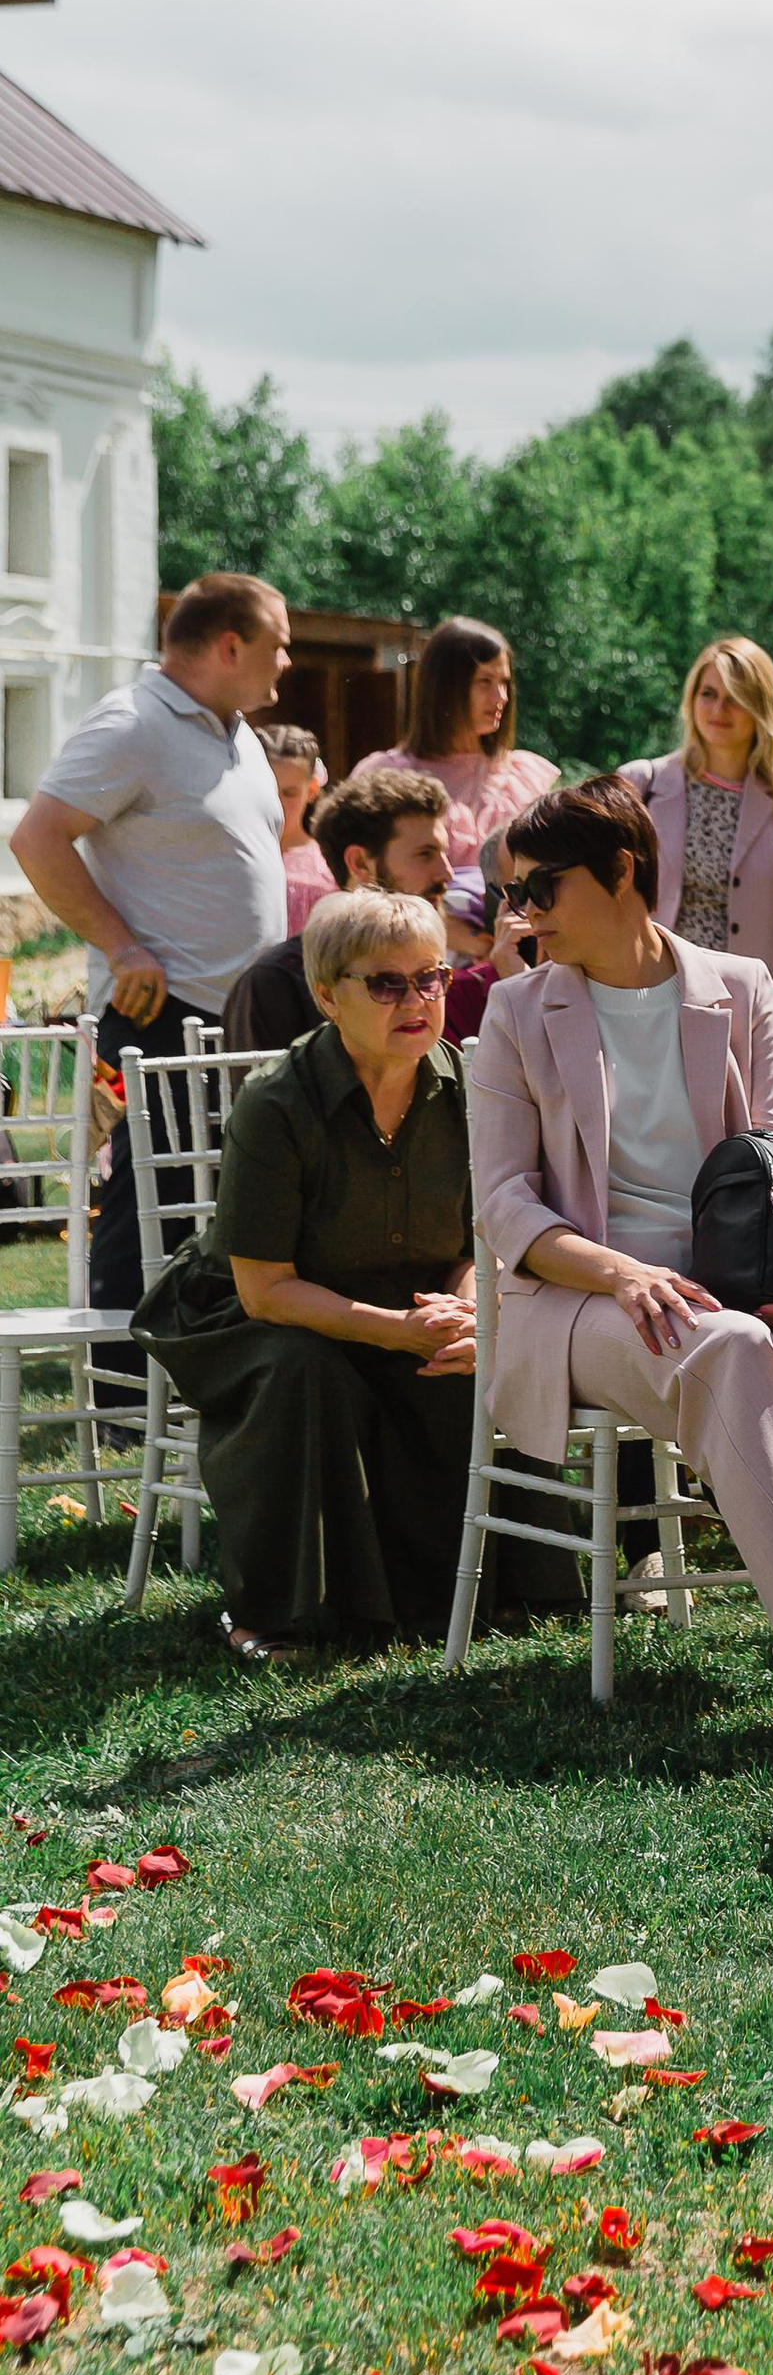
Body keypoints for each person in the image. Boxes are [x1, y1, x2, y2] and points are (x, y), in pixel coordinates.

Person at [469, 774, 773, 1790]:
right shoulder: (516, 1013)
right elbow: (503, 1204)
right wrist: (623, 1274)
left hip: (739, 1276)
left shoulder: (737, 989)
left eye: (542, 889)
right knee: (730, 1344)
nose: (523, 916)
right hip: (581, 1302)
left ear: (619, 874)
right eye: (513, 894)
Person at [130, 890, 480, 1662]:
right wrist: (396, 1328)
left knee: (464, 1357)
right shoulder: (277, 1101)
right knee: (302, 1369)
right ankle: (269, 1616)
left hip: (401, 1297)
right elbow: (265, 1289)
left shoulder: (468, 1089)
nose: (417, 1000)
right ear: (328, 995)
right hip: (249, 1313)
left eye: (432, 979)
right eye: (386, 984)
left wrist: (465, 1309)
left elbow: (477, 1243)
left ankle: (464, 1590)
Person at [10, 573, 291, 1335]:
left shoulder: (234, 732)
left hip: (240, 1016)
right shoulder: (132, 723)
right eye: (279, 644)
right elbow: (35, 837)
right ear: (230, 646)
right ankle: (125, 1393)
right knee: (149, 1198)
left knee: (223, 1201)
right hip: (161, 1013)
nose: (288, 662)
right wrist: (121, 945)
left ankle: (200, 1368)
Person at [621, 638, 773, 1038]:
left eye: (735, 698)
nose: (717, 710)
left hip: (744, 1005)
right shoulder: (643, 784)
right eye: (708, 694)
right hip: (650, 996)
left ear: (760, 707)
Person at [223, 766, 455, 1052]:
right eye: (425, 855)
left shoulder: (438, 964)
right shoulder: (276, 983)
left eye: (428, 981)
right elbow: (264, 1094)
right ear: (359, 862)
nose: (446, 873)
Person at [380, 617, 558, 875]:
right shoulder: (389, 775)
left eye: (504, 682)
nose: (501, 697)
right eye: (485, 681)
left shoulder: (523, 778)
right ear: (446, 686)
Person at [258, 724, 333, 930]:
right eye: (267, 790)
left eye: (289, 793)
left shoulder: (326, 869)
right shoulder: (225, 854)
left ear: (311, 790)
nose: (276, 803)